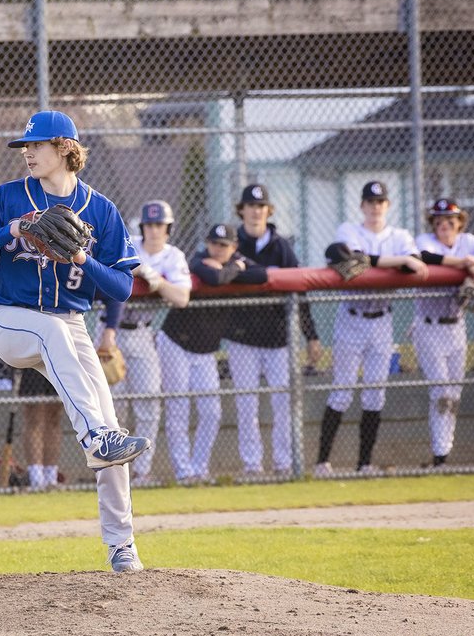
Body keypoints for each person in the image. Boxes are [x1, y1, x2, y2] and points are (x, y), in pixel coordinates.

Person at [0, 109, 149, 573]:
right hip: (9, 319)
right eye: (25, 146)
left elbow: (122, 287)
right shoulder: (8, 197)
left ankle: (122, 546)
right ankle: (94, 436)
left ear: (64, 148)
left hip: (71, 323)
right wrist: (12, 229)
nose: (28, 153)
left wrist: (81, 257)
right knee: (54, 338)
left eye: (37, 145)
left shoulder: (100, 210)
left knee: (111, 425)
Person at [315, 181, 428, 476]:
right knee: (342, 391)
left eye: (380, 202)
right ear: (362, 206)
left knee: (375, 394)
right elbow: (352, 260)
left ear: (387, 205)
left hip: (382, 319)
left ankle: (364, 464)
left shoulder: (400, 236)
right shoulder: (349, 230)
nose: (375, 207)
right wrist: (399, 261)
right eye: (370, 202)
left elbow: (414, 263)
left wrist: (400, 261)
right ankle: (322, 463)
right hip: (351, 317)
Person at [224, 184, 321, 476]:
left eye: (261, 207)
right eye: (250, 207)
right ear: (241, 210)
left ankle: (284, 463)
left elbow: (300, 291)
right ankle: (252, 465)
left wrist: (311, 336)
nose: (256, 212)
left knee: (284, 403)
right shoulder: (231, 243)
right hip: (242, 338)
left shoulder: (281, 246)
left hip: (279, 338)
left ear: (268, 211)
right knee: (247, 405)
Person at [159, 222, 265, 483]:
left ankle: (199, 468)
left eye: (224, 245)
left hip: (206, 350)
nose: (218, 249)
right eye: (214, 244)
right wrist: (235, 269)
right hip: (176, 343)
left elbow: (261, 275)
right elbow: (213, 278)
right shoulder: (197, 260)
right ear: (207, 244)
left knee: (211, 412)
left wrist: (232, 268)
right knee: (178, 408)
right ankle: (183, 472)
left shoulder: (237, 260)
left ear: (234, 247)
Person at [96, 199, 192, 486]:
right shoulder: (131, 243)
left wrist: (158, 282)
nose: (153, 230)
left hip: (142, 331)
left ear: (168, 228)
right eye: (149, 224)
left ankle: (142, 470)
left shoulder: (173, 256)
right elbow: (108, 266)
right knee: (112, 405)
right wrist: (139, 269)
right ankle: (113, 470)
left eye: (159, 225)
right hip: (109, 330)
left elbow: (182, 299)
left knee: (149, 400)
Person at [413, 199, 474, 468]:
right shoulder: (425, 241)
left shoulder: (468, 241)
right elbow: (425, 257)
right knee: (441, 392)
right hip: (428, 326)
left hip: (456, 327)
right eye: (438, 221)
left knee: (454, 394)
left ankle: (443, 454)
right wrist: (467, 265)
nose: (444, 225)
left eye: (450, 220)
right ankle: (439, 456)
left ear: (460, 223)